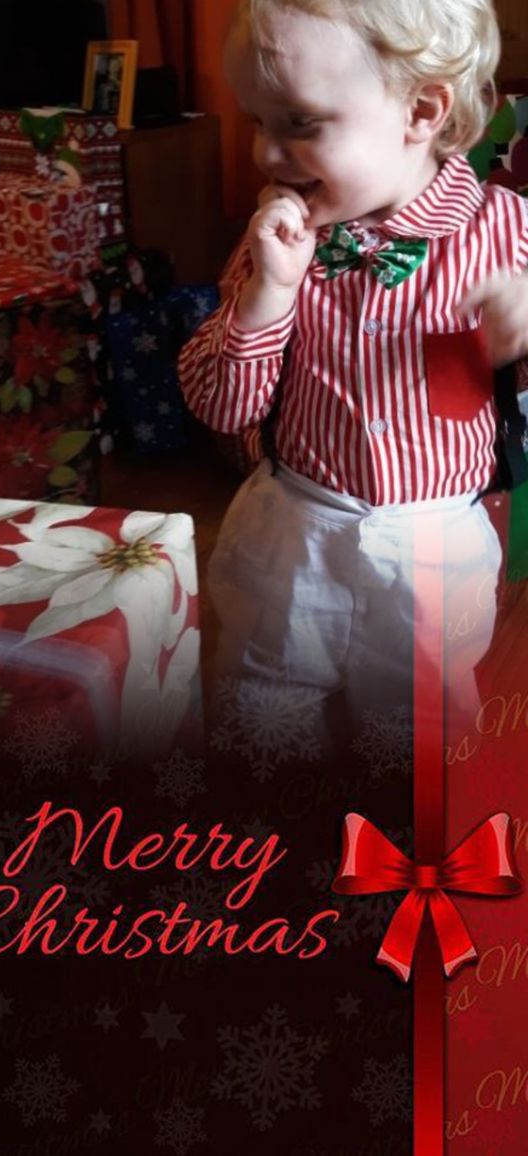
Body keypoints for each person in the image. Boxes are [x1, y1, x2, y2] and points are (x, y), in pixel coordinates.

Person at [178, 0, 528, 754]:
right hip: (293, 536)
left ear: (422, 111)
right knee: (262, 716)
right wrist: (268, 294)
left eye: (300, 122)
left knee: (420, 740)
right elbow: (219, 405)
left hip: (434, 553)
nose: (267, 153)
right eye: (258, 121)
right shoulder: (278, 242)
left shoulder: (508, 233)